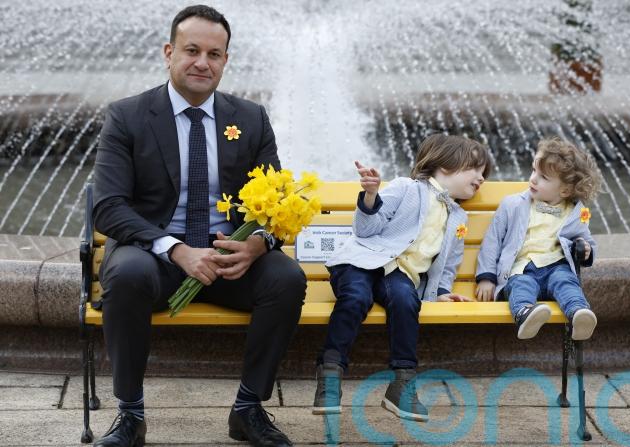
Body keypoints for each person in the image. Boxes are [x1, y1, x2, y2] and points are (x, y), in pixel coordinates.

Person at [92, 5, 305, 447]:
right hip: (156, 257)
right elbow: (108, 207)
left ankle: (248, 409)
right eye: (191, 50)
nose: (202, 63)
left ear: (225, 60)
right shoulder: (128, 116)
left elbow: (278, 201)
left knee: (286, 278)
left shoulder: (251, 118)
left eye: (214, 54)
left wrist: (258, 244)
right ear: (169, 52)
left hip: (230, 259)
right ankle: (130, 414)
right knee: (126, 273)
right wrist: (175, 249)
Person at [312, 134, 491, 421]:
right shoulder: (406, 187)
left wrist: (440, 291)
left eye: (484, 173)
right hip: (361, 262)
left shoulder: (459, 217)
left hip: (400, 274)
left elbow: (448, 264)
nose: (481, 178)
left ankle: (402, 383)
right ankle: (330, 374)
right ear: (445, 165)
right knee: (356, 297)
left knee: (407, 301)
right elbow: (365, 230)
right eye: (475, 169)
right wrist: (371, 197)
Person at [475, 137, 601, 341]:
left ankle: (579, 314)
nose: (533, 179)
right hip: (522, 268)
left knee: (566, 282)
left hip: (556, 266)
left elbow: (585, 240)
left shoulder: (575, 212)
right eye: (534, 170)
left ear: (565, 190)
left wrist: (586, 249)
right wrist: (486, 278)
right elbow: (492, 242)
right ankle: (525, 314)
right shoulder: (513, 205)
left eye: (543, 177)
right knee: (520, 285)